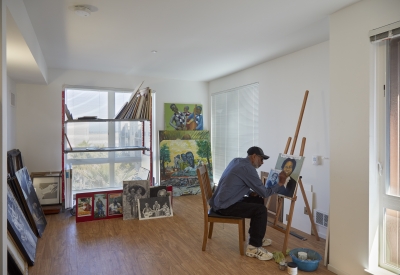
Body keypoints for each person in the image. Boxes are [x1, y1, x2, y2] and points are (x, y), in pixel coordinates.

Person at [209, 146, 288, 261]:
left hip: (221, 201)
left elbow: (236, 183)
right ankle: (253, 248)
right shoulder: (248, 169)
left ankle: (255, 237)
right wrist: (280, 183)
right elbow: (265, 193)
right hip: (224, 206)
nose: (262, 162)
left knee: (258, 200)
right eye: (261, 159)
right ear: (254, 156)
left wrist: (251, 193)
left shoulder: (237, 161)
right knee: (261, 210)